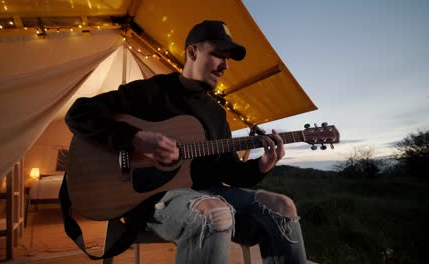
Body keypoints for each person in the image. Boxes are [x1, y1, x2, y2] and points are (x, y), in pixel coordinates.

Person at [65, 20, 307, 264]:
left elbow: (230, 171)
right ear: (192, 52)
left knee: (282, 207)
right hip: (154, 198)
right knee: (215, 213)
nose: (225, 65)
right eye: (217, 55)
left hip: (211, 193)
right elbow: (78, 114)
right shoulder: (152, 91)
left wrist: (261, 166)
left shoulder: (217, 113)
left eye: (228, 59)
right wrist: (135, 139)